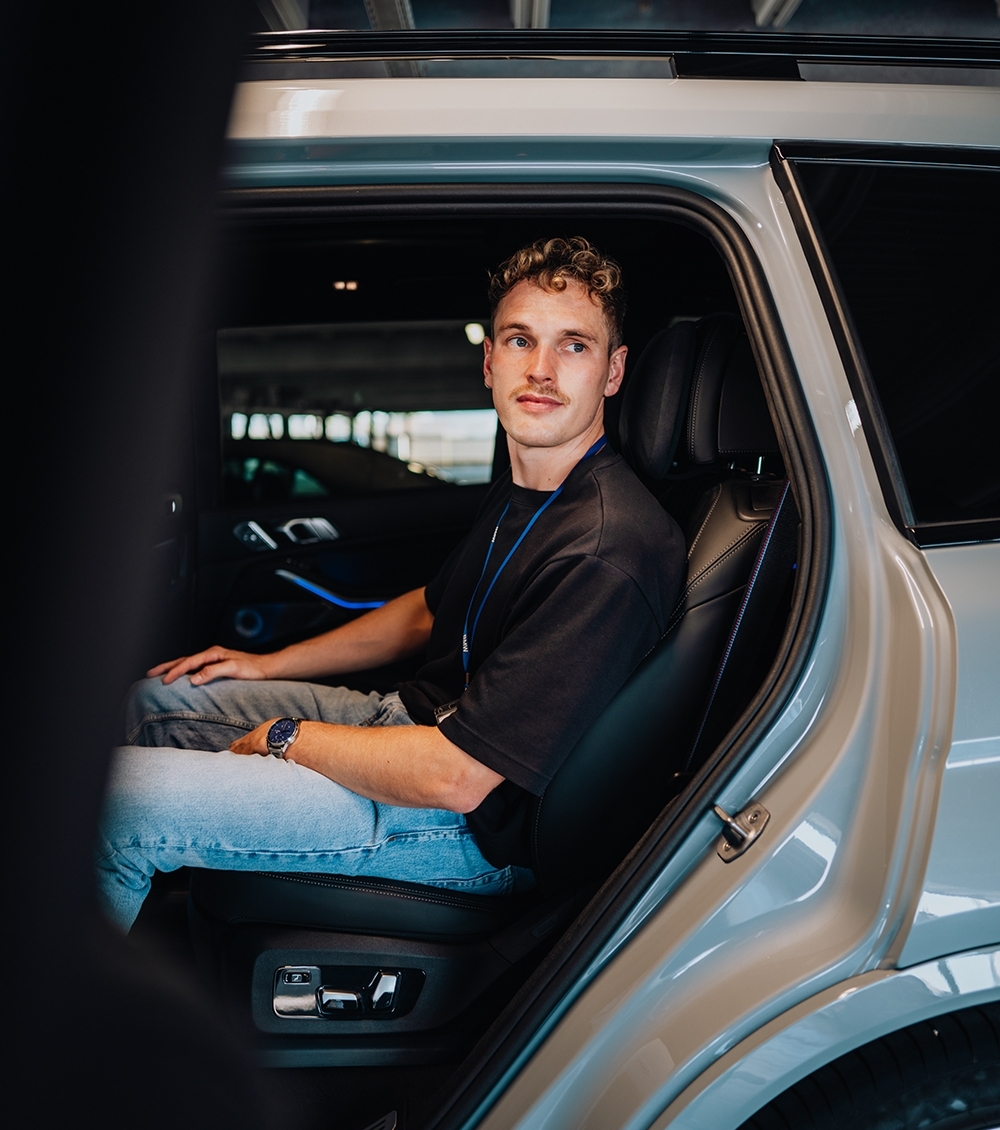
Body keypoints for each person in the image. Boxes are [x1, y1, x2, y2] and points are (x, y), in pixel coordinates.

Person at [97, 236, 685, 931]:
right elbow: (424, 613)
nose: (543, 370)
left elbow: (457, 778)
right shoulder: (532, 487)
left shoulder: (606, 549)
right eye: (521, 340)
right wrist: (264, 664)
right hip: (408, 726)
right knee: (154, 699)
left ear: (613, 371)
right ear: (490, 361)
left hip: (466, 828)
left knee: (112, 805)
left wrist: (286, 734)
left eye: (575, 346)